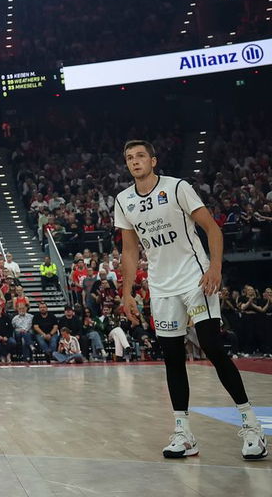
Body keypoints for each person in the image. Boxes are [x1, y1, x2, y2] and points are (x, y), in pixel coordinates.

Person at [114, 140, 266, 460]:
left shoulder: (177, 187)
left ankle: (251, 425)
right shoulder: (123, 200)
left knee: (212, 346)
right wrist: (126, 292)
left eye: (140, 156)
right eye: (129, 158)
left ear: (153, 160)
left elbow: (212, 228)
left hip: (194, 279)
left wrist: (215, 267)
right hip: (161, 286)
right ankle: (184, 433)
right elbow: (130, 251)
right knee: (172, 357)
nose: (135, 161)